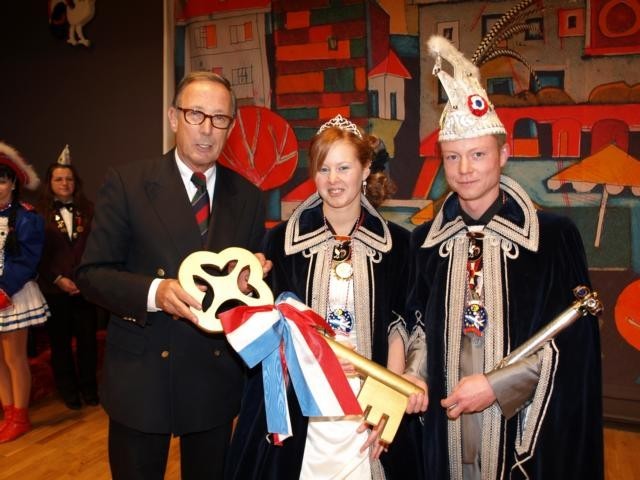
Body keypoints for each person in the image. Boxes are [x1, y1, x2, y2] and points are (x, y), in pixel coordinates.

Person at [407, 36, 603, 479]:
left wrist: (497, 385)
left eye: (478, 154)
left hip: (521, 423)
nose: (465, 169)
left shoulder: (554, 238)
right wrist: (416, 374)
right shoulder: (425, 242)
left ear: (504, 155)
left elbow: (576, 344)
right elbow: (418, 326)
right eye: (453, 157)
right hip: (445, 421)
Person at [76, 71, 268, 480]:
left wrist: (249, 284)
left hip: (213, 379)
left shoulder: (248, 197)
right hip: (142, 377)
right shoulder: (127, 183)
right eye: (196, 114)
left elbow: (248, 289)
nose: (207, 129)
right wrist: (155, 292)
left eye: (219, 118)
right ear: (173, 117)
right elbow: (91, 274)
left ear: (231, 127)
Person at [225, 114, 427, 480]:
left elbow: (400, 326)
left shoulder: (398, 245)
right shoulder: (280, 242)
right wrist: (245, 286)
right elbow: (268, 328)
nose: (333, 180)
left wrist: (389, 399)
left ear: (366, 169)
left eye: (343, 167)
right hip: (298, 402)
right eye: (323, 169)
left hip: (368, 403)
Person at [36, 147, 99, 410]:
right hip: (54, 289)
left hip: (84, 289)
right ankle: (68, 391)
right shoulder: (37, 214)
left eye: (69, 179)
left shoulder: (90, 210)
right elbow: (37, 253)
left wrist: (84, 277)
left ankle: (89, 389)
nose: (64, 183)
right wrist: (58, 278)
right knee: (60, 344)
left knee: (88, 343)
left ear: (76, 182)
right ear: (50, 183)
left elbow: (98, 247)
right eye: (59, 179)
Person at [0, 142, 50, 443]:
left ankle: (20, 416)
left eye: (2, 181)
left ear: (13, 183)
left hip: (14, 294)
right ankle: (8, 413)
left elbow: (28, 259)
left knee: (14, 357)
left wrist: (4, 289)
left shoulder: (27, 217)